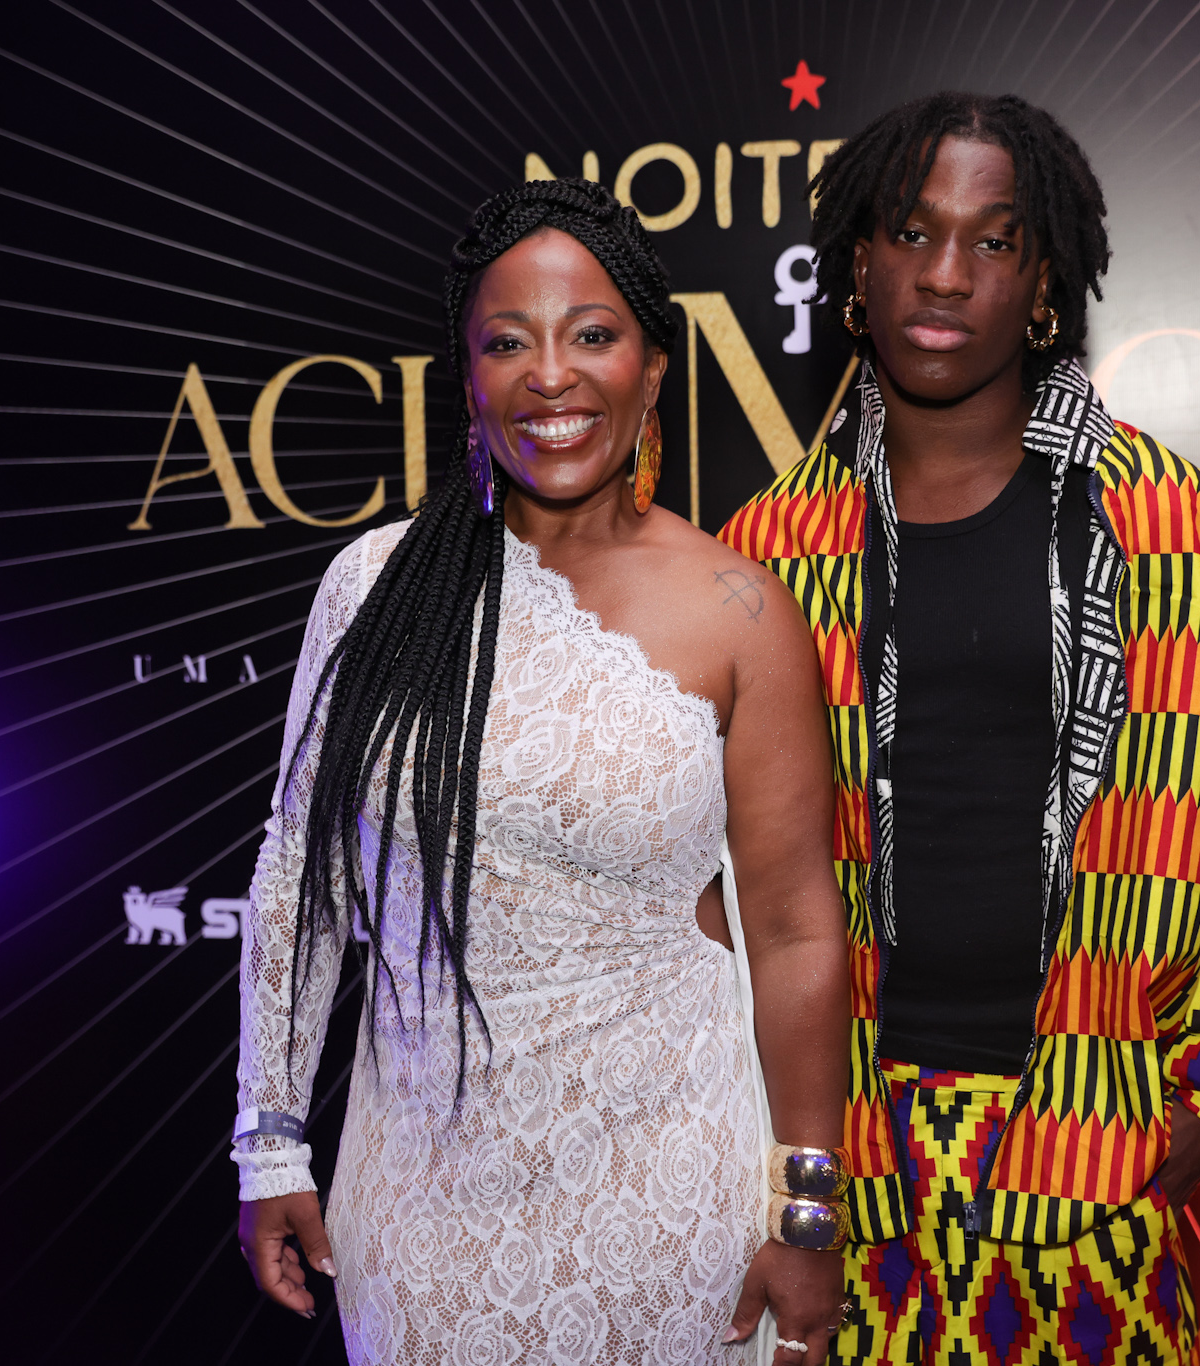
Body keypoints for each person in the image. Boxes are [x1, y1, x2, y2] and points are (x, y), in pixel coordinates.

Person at [721, 93, 1200, 1365]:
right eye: (911, 231)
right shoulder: (763, 551)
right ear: (856, 261)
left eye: (994, 240)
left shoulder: (1179, 531)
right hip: (837, 1164)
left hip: (1091, 1154)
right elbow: (714, 877)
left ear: (1041, 282)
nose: (944, 273)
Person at [232, 179, 855, 1365]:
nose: (551, 376)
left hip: (669, 1208)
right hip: (419, 1212)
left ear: (653, 369)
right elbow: (296, 883)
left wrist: (803, 1210)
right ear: (465, 376)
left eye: (592, 335)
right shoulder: (371, 590)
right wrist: (269, 1141)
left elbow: (792, 930)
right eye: (507, 342)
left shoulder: (740, 611)